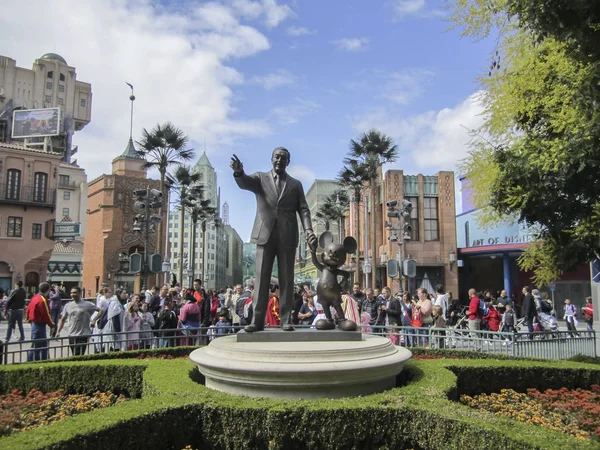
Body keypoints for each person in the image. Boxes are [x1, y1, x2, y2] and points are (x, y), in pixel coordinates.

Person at [231, 148, 318, 332]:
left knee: (287, 280)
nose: (279, 160)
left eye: (283, 158)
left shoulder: (295, 184)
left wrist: (308, 229)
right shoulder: (260, 178)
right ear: (272, 159)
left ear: (288, 161)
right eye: (277, 156)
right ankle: (257, 320)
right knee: (261, 279)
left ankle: (286, 320)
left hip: (288, 236)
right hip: (265, 234)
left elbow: (303, 209)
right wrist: (239, 172)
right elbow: (244, 182)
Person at [56, 287, 100, 356]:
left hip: (82, 334)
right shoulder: (68, 305)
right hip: (72, 334)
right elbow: (62, 319)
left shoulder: (87, 304)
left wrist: (94, 320)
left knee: (78, 354)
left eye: (75, 292)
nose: (72, 294)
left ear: (80, 293)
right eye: (71, 293)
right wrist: (58, 331)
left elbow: (100, 310)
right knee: (75, 354)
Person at [25, 282, 54, 361]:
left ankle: (41, 359)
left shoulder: (35, 297)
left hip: (34, 322)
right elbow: (46, 314)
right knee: (38, 344)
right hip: (39, 323)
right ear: (47, 290)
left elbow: (28, 309)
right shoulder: (42, 300)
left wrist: (28, 318)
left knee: (39, 343)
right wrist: (51, 324)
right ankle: (34, 360)